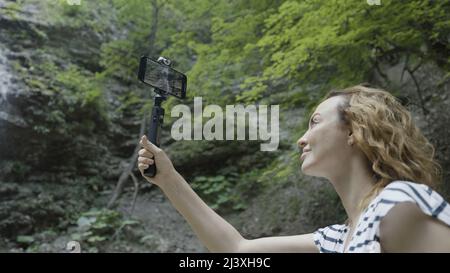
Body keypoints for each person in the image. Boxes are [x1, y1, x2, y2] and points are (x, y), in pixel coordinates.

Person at [137, 85, 450, 253]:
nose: (302, 139)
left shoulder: (398, 205)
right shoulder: (337, 241)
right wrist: (168, 178)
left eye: (314, 123)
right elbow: (236, 248)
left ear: (356, 132)